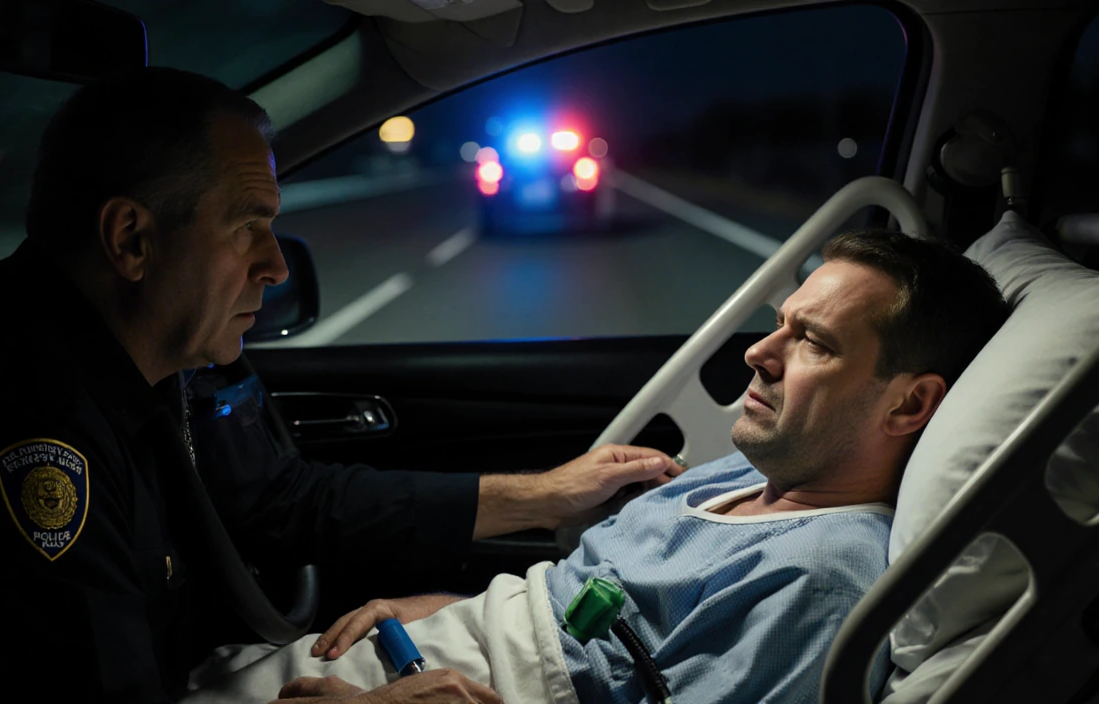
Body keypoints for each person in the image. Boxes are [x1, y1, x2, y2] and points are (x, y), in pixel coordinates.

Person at [0, 67, 683, 703]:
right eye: (248, 227)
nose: (274, 267)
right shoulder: (21, 412)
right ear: (132, 239)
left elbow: (281, 501)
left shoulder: (150, 354)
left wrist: (540, 494)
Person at [175, 230, 1010, 704]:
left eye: (814, 343)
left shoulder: (825, 574)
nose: (759, 353)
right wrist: (453, 610)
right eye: (780, 324)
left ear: (909, 405)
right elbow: (589, 615)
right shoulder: (740, 478)